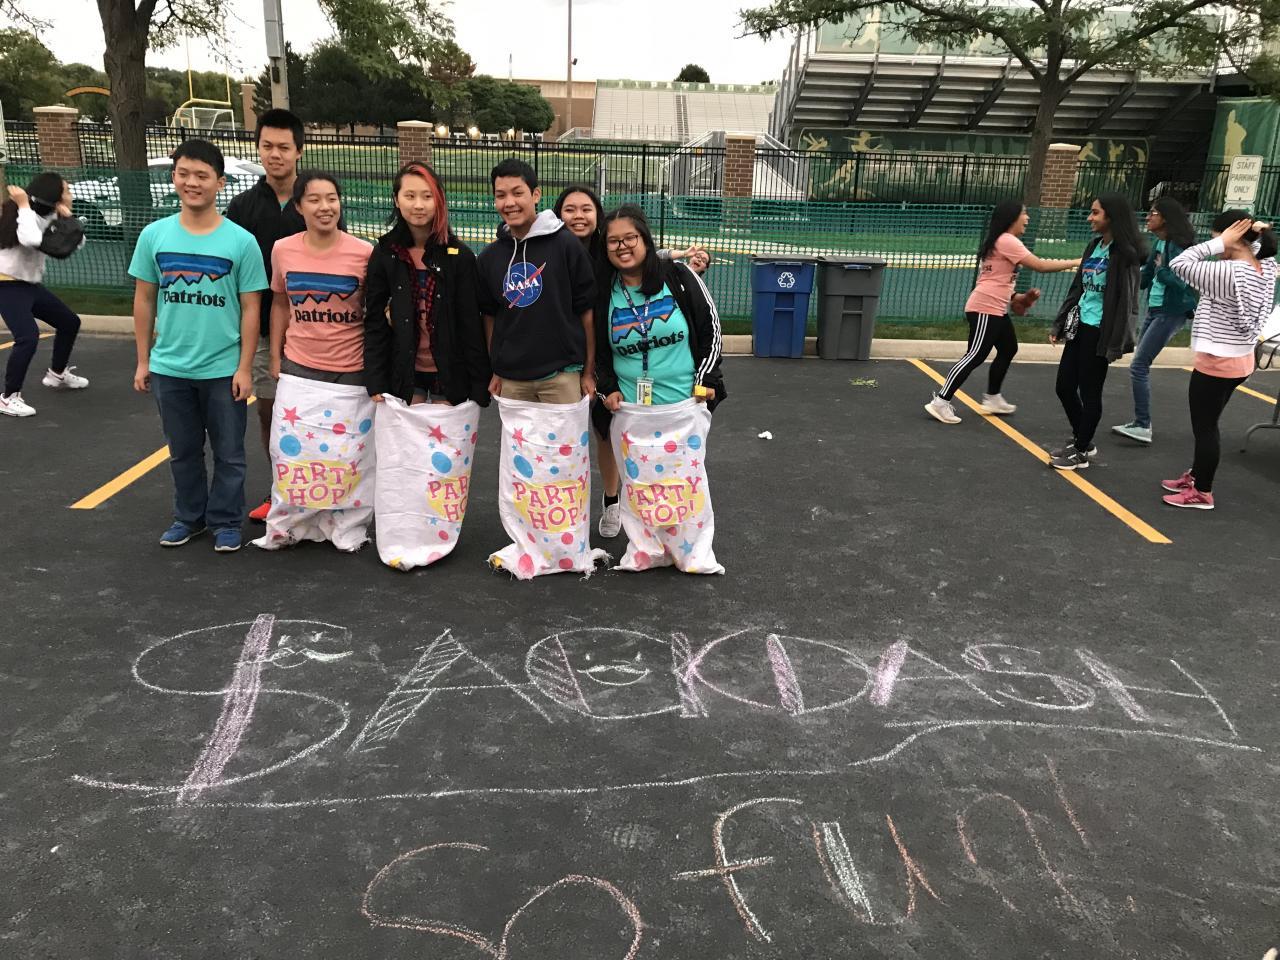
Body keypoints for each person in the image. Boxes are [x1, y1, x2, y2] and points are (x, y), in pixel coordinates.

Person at [129, 139, 269, 552]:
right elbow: (144, 299)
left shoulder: (241, 242)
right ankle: (188, 518)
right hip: (170, 368)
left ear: (220, 183)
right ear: (174, 177)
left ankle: (225, 521)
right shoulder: (154, 235)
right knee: (183, 452)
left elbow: (251, 308)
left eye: (202, 175)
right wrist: (143, 361)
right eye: (184, 174)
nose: (192, 182)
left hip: (223, 368)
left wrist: (244, 367)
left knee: (229, 453)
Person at [552, 184, 711, 537]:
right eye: (569, 209)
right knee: (605, 436)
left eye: (586, 209)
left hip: (665, 390)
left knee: (667, 457)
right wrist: (603, 381)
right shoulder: (551, 250)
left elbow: (650, 259)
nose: (578, 216)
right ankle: (615, 501)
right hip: (580, 364)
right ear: (556, 214)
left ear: (597, 216)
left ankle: (671, 526)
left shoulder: (615, 261)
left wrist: (706, 380)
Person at [225, 108, 321, 521]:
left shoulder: (316, 201)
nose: (275, 154)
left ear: (299, 151)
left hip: (314, 331)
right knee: (270, 412)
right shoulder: (243, 207)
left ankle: (318, 491)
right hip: (263, 330)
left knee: (315, 416)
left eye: (284, 147)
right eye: (267, 146)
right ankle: (279, 489)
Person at [1160, 212, 1277, 510]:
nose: (1213, 245)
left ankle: (1203, 491)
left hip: (1217, 362)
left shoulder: (1227, 273)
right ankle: (1197, 475)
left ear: (1232, 237)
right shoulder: (1265, 265)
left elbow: (1179, 264)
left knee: (1206, 428)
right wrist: (1251, 234)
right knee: (1209, 423)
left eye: (1216, 237)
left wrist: (1220, 242)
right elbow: (1261, 248)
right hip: (1241, 358)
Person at [925, 200, 1079, 425]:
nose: (1027, 218)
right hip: (985, 307)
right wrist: (1078, 261)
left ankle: (993, 398)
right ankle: (940, 401)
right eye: (1024, 213)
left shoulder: (1000, 241)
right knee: (975, 355)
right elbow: (1040, 265)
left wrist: (1019, 298)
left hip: (995, 307)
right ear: (1012, 217)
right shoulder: (1007, 240)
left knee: (1008, 348)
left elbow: (997, 280)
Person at [595, 204, 724, 449]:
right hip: (630, 412)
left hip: (684, 408)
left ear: (645, 239)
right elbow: (597, 350)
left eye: (630, 237)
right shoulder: (603, 291)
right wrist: (607, 388)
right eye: (613, 241)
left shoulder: (679, 275)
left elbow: (711, 330)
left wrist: (706, 378)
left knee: (682, 475)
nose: (622, 246)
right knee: (635, 475)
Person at [364, 161, 490, 406]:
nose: (419, 205)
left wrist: (478, 384)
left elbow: (470, 324)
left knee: (445, 430)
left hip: (449, 370)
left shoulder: (460, 257)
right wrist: (376, 379)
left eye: (427, 196)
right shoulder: (385, 253)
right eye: (410, 196)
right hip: (404, 368)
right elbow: (375, 321)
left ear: (439, 200)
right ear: (396, 200)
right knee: (409, 430)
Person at [477, 159, 596, 404]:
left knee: (565, 432)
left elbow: (586, 312)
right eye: (501, 195)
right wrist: (496, 367)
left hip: (562, 376)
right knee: (516, 434)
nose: (509, 202)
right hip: (512, 379)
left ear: (536, 195)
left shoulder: (567, 245)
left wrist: (588, 371)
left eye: (517, 193)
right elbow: (490, 316)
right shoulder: (490, 257)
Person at [1047, 193, 1145, 471]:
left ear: (1111, 217)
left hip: (1100, 331)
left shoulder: (1124, 255)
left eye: (1095, 213)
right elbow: (1078, 288)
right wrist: (1060, 323)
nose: (1090, 218)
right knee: (1064, 386)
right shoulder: (1094, 246)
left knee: (1090, 392)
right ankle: (1084, 440)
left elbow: (1127, 303)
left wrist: (1116, 341)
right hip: (1080, 326)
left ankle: (1080, 451)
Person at [268, 172, 372, 386]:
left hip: (352, 369)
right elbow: (280, 304)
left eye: (332, 199)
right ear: (298, 206)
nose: (325, 207)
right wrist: (274, 356)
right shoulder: (282, 249)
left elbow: (374, 310)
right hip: (298, 365)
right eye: (314, 200)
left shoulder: (364, 252)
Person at [1112, 198, 1199, 444]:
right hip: (1156, 309)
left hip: (1171, 312)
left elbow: (1181, 281)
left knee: (1139, 365)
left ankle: (1143, 425)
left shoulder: (1179, 247)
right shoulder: (1161, 243)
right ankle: (1140, 423)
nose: (1148, 217)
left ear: (1166, 218)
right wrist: (1125, 281)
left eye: (1153, 213)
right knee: (1140, 364)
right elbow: (1148, 273)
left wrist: (1161, 271)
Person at [0, 175, 87, 417]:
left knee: (69, 322)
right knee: (28, 337)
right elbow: (30, 239)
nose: (70, 195)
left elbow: (75, 243)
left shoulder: (48, 216)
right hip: (6, 284)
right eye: (66, 191)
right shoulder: (23, 215)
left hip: (28, 285)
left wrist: (67, 218)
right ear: (54, 196)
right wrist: (23, 204)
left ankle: (57, 374)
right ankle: (8, 398)